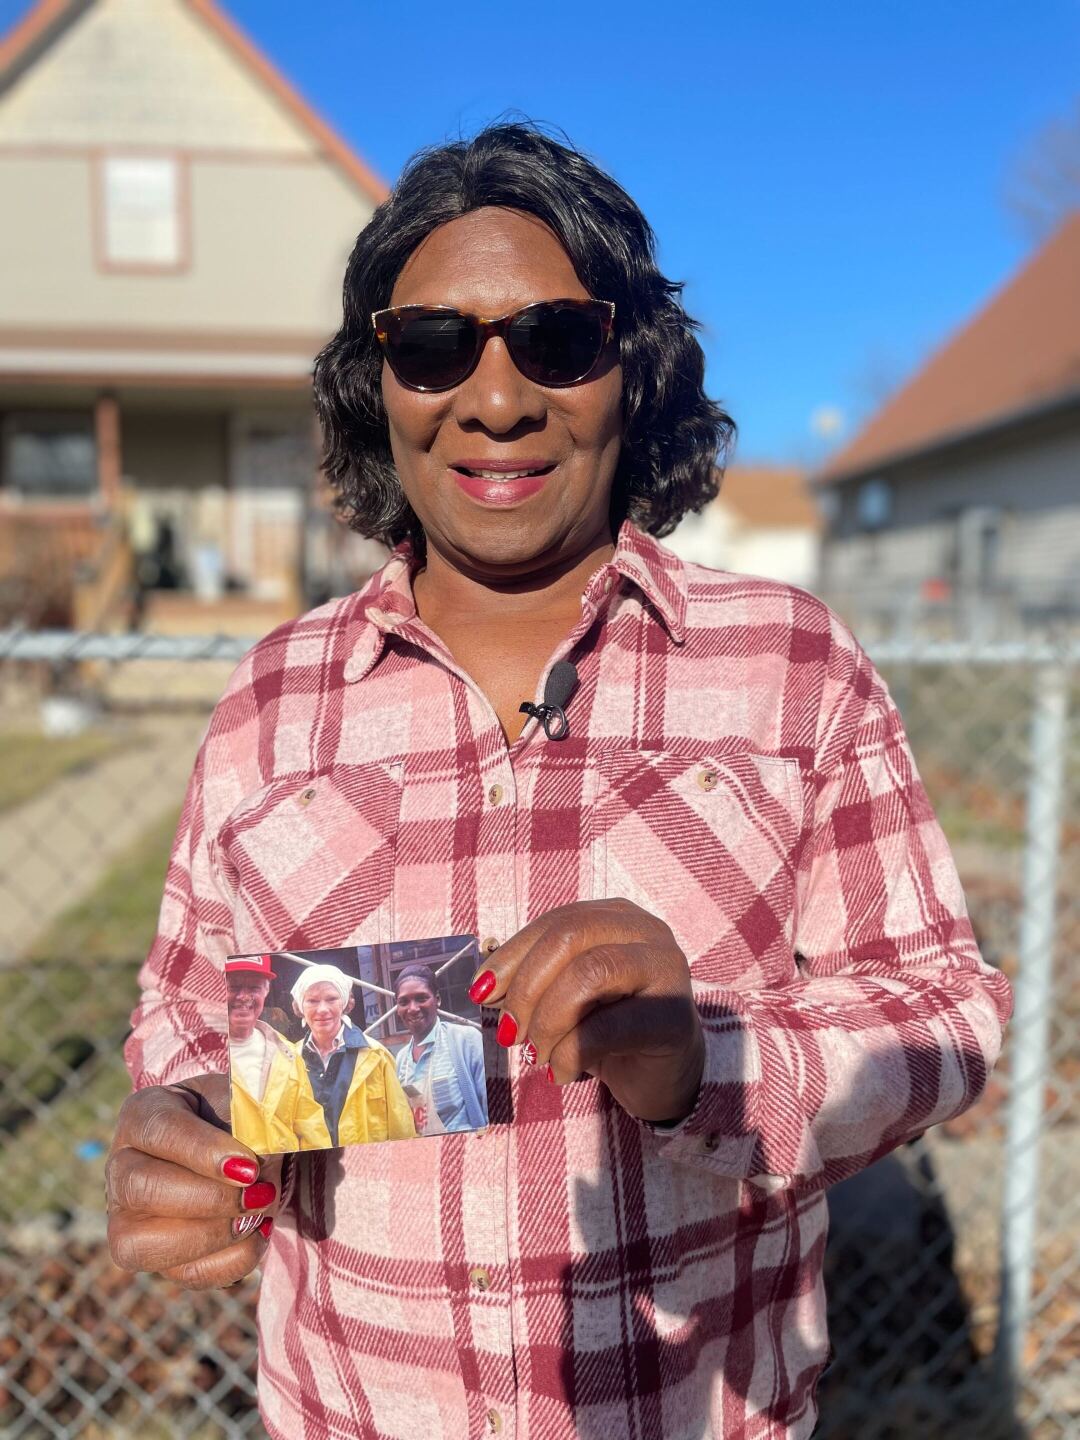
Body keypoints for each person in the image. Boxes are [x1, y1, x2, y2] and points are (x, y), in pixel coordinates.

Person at [107, 123, 1012, 1440]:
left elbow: (944, 1017)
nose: (496, 397)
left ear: (628, 372)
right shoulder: (269, 700)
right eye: (431, 344)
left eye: (556, 340)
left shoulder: (788, 668)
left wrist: (700, 1061)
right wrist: (183, 1133)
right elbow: (192, 1031)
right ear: (381, 388)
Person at [290, 963, 415, 1146]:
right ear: (300, 1006)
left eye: (332, 999)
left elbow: (400, 1123)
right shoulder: (289, 1060)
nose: (323, 1009)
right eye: (312, 1001)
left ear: (346, 1003)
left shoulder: (376, 1056)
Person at [225, 955, 331, 1154]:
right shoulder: (189, 1056)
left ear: (266, 991)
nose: (243, 996)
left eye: (254, 988)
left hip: (286, 1177)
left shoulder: (287, 1054)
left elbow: (310, 1125)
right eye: (233, 987)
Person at [393, 964, 488, 1134]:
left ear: (437, 999)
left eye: (421, 998)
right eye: (404, 1002)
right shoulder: (401, 1060)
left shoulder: (465, 1041)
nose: (413, 1008)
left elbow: (493, 1109)